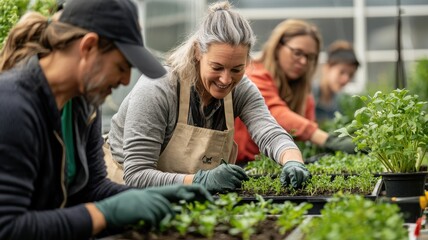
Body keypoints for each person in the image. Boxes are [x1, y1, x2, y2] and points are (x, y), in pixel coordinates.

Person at [0, 0, 213, 239]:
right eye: (121, 66)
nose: (124, 81)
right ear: (88, 46)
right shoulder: (13, 107)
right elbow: (8, 227)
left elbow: (93, 188)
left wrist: (151, 196)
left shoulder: (84, 105)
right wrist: (102, 214)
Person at [107, 1, 310, 193]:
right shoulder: (158, 88)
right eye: (217, 67)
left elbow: (269, 132)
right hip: (125, 194)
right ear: (197, 52)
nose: (226, 79)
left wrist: (292, 161)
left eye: (237, 69)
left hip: (187, 197)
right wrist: (200, 180)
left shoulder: (241, 89)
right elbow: (137, 176)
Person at [234, 19, 356, 164]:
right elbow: (274, 111)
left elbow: (303, 127)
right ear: (278, 47)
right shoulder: (255, 75)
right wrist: (327, 140)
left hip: (270, 167)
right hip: (240, 166)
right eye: (297, 53)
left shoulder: (303, 92)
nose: (304, 61)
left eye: (310, 57)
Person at [312, 40, 360, 123]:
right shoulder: (308, 94)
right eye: (341, 72)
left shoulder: (341, 105)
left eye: (351, 75)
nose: (346, 79)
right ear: (327, 68)